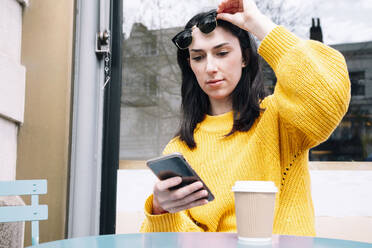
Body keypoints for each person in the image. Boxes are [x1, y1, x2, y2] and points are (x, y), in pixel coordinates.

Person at [140, 0, 350, 236]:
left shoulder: (281, 118)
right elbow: (181, 238)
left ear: (245, 58)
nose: (210, 67)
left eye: (221, 53)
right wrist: (161, 209)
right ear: (190, 66)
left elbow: (329, 95)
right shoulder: (179, 149)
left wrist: (257, 24)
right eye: (198, 57)